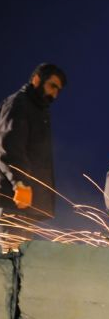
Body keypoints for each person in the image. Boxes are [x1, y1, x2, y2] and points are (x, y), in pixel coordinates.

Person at [0, 63, 67, 224]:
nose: (54, 94)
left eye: (58, 90)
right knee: (11, 247)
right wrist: (19, 183)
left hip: (28, 204)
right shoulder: (19, 104)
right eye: (52, 86)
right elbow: (10, 146)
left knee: (21, 247)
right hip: (13, 200)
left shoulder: (40, 111)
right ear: (37, 79)